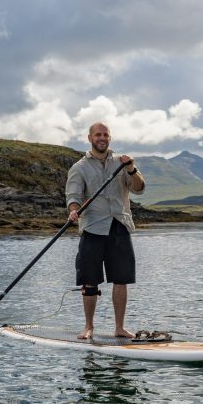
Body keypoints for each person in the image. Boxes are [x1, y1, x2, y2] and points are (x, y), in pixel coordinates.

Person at [65, 122, 145, 340]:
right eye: (98, 135)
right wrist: (74, 210)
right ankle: (89, 327)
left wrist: (131, 169)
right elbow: (73, 195)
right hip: (93, 227)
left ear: (110, 137)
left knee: (121, 279)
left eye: (106, 134)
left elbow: (138, 188)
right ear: (90, 138)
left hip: (119, 225)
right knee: (90, 279)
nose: (102, 138)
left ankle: (119, 327)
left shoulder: (121, 163)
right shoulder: (79, 167)